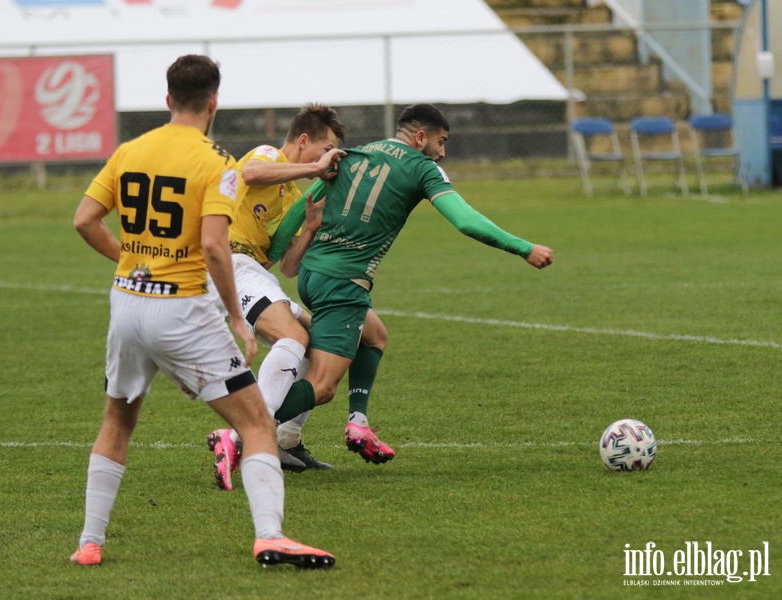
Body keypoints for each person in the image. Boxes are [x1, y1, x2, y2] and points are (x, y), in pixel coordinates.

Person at [70, 54, 334, 569]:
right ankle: (270, 536)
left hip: (127, 302)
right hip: (181, 309)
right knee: (257, 421)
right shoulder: (217, 162)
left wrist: (130, 260)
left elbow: (84, 220)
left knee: (118, 421)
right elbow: (215, 246)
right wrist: (237, 317)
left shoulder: (130, 149)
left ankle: (89, 541)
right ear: (214, 102)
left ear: (167, 100)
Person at [266, 103, 554, 464]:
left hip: (313, 275)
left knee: (374, 336)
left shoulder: (353, 154)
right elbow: (464, 220)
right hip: (343, 282)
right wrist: (524, 248)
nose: (443, 152)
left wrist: (269, 256)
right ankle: (242, 431)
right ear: (421, 137)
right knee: (322, 386)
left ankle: (358, 422)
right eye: (441, 141)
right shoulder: (422, 167)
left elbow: (302, 206)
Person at [204, 103, 347, 489]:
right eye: (325, 148)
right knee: (293, 337)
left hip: (249, 270)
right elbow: (250, 172)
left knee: (320, 343)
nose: (327, 158)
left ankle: (285, 440)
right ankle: (252, 435)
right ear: (304, 141)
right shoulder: (269, 155)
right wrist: (317, 169)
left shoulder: (291, 195)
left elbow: (284, 267)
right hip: (228, 262)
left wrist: (311, 227)